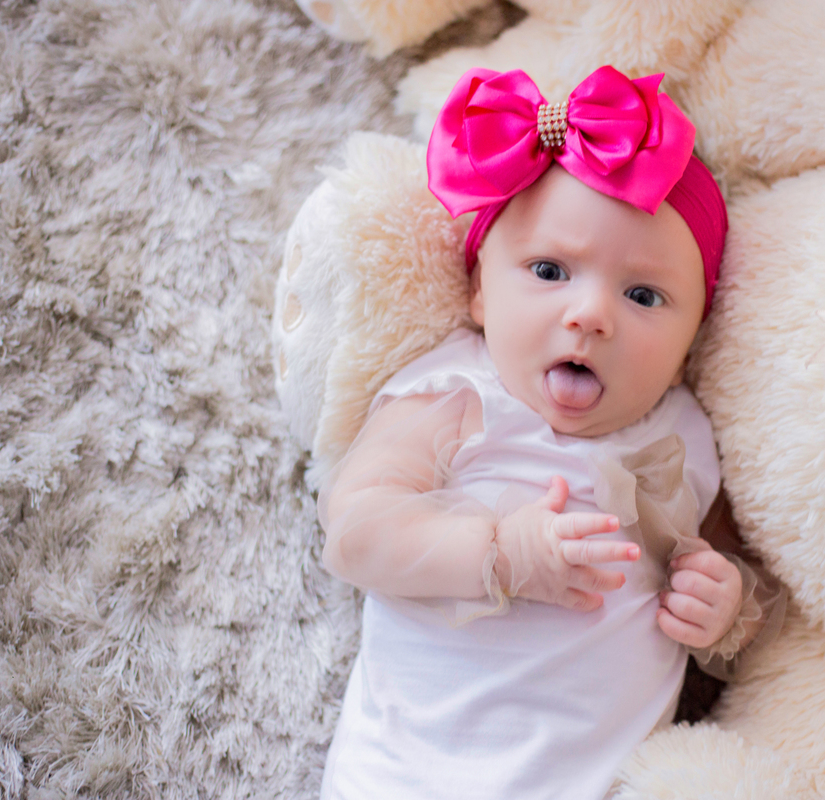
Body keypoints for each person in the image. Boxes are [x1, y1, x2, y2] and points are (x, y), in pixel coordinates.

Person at [316, 66, 782, 800]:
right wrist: (500, 553)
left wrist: (724, 606)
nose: (590, 314)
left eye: (643, 295)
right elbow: (353, 533)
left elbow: (729, 574)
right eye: (548, 270)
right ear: (478, 290)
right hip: (413, 776)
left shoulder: (687, 436)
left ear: (695, 335)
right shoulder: (457, 393)